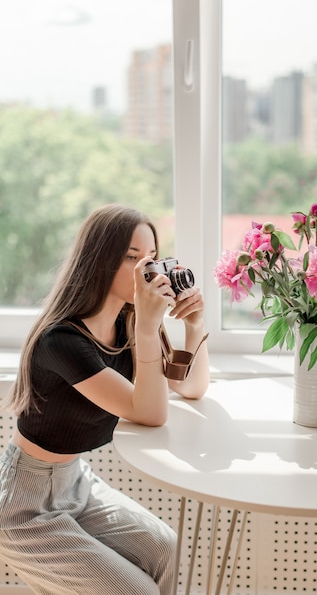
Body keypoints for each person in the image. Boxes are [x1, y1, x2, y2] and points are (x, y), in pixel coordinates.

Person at [0, 203, 210, 595]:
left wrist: (194, 325)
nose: (144, 271)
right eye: (131, 257)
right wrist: (149, 327)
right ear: (98, 261)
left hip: (75, 482)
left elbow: (190, 386)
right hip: (23, 503)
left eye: (150, 259)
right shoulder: (61, 341)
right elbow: (149, 412)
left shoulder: (127, 326)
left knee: (167, 550)